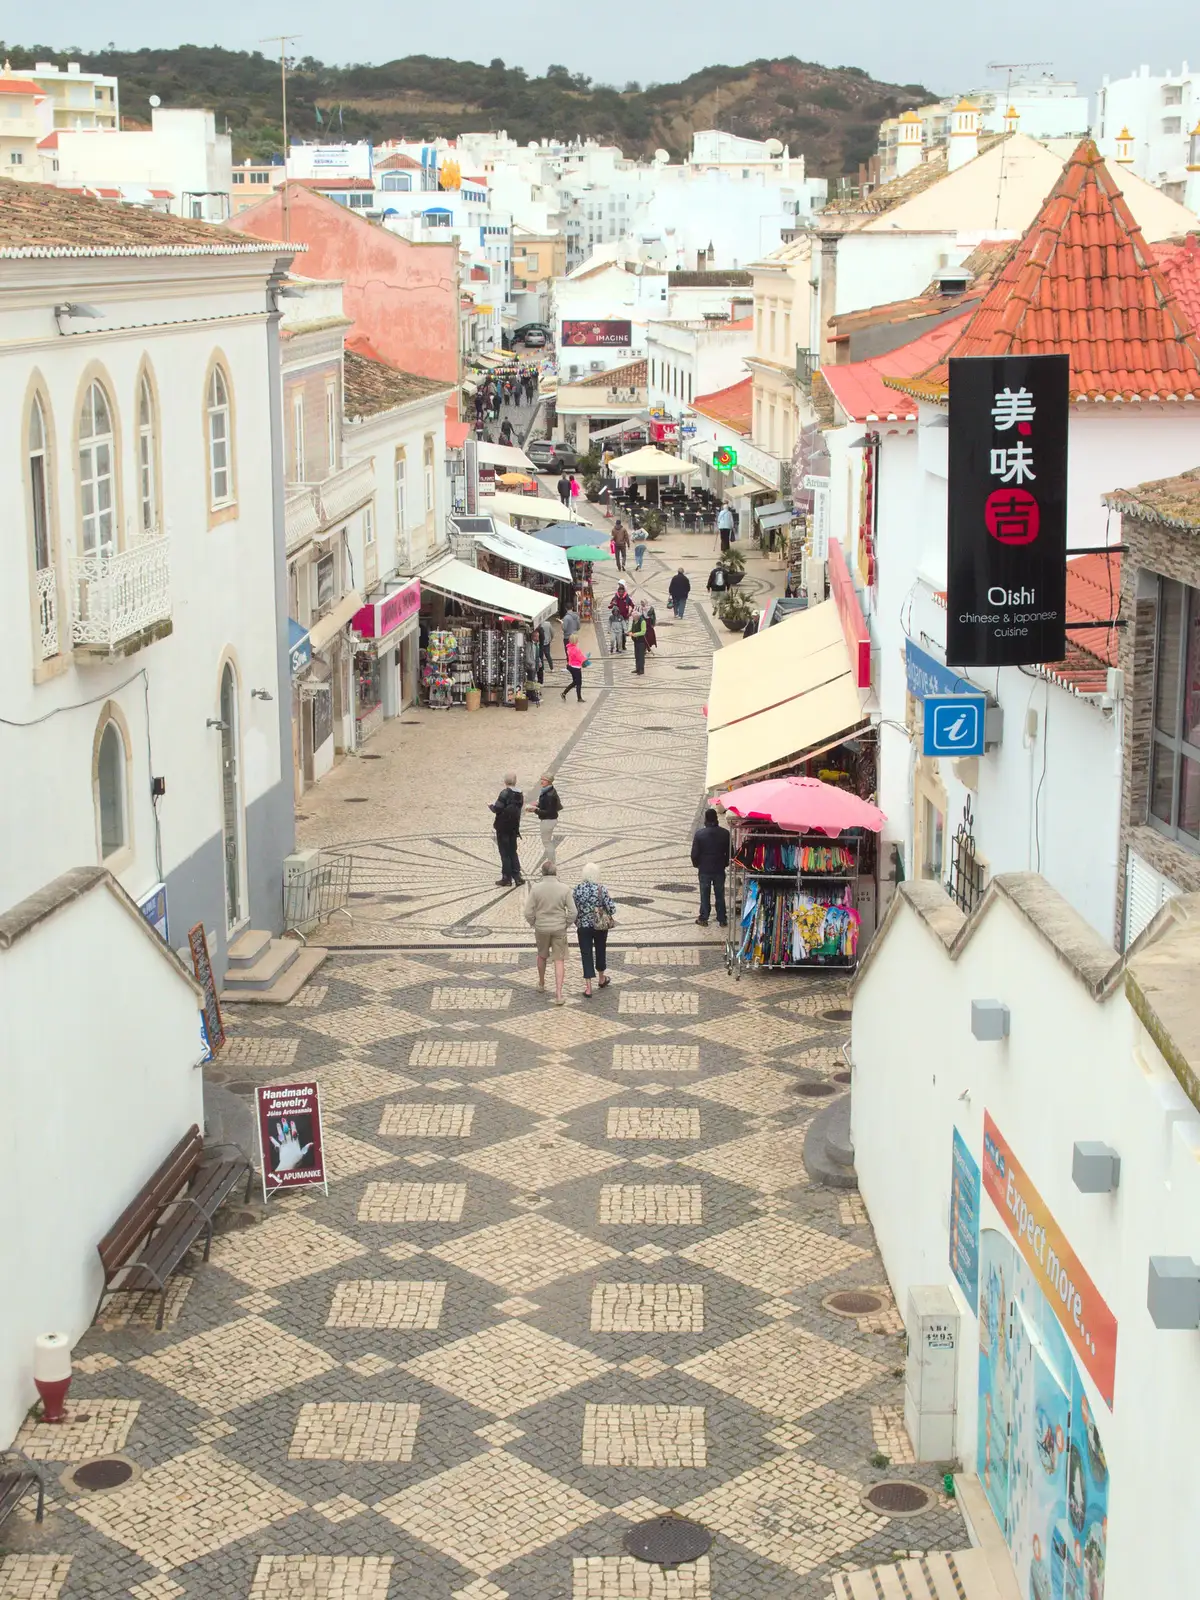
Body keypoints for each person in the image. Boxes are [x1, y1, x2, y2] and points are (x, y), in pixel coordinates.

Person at [524, 859, 577, 1005]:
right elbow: (573, 912)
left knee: (541, 956)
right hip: (559, 928)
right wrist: (565, 924)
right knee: (559, 960)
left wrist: (534, 923)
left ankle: (541, 983)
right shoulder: (565, 889)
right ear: (556, 872)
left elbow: (528, 912)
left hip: (541, 928)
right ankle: (559, 994)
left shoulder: (536, 889)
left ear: (542, 873)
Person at [573, 862, 615, 997]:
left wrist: (578, 919)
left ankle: (588, 988)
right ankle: (602, 978)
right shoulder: (601, 889)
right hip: (600, 926)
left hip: (583, 926)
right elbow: (612, 908)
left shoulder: (577, 889)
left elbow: (573, 909)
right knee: (600, 950)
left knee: (586, 954)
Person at [691, 806, 731, 927]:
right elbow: (731, 852)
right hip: (719, 868)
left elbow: (694, 854)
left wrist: (697, 865)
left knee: (704, 894)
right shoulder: (725, 833)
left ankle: (704, 917)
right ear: (716, 818)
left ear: (706, 819)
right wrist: (725, 863)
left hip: (704, 869)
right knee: (720, 894)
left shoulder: (699, 834)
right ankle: (722, 918)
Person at [490, 774, 525, 888]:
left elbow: (497, 808)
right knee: (513, 851)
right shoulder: (520, 794)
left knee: (505, 853)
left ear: (505, 782)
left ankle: (506, 878)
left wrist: (491, 806)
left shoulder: (504, 793)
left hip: (503, 827)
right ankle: (517, 876)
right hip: (514, 827)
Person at [527, 772, 563, 863]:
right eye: (541, 779)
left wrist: (534, 810)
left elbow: (548, 812)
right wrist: (538, 804)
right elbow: (548, 806)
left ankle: (551, 863)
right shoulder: (547, 790)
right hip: (549, 819)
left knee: (547, 842)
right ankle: (551, 862)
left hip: (548, 821)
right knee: (547, 842)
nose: (541, 781)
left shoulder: (549, 795)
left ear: (549, 781)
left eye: (544, 780)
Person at [608, 581, 633, 652]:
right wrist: (612, 604)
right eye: (620, 592)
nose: (621, 593)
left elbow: (633, 606)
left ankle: (623, 645)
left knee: (624, 633)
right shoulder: (615, 597)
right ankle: (618, 647)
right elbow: (609, 607)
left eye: (622, 591)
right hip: (617, 619)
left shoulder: (627, 598)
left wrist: (630, 613)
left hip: (625, 618)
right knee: (618, 633)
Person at [562, 637, 587, 702]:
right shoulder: (576, 649)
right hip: (576, 667)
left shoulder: (569, 648)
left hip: (570, 666)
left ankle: (564, 693)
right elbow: (581, 658)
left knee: (575, 682)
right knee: (578, 683)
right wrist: (586, 659)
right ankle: (579, 698)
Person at [629, 605, 648, 675]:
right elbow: (632, 628)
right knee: (636, 655)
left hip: (641, 641)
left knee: (641, 656)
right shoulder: (635, 621)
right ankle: (637, 668)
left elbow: (643, 632)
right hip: (636, 641)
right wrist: (629, 632)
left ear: (637, 617)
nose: (633, 619)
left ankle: (641, 670)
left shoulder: (642, 622)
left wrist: (635, 634)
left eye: (634, 617)